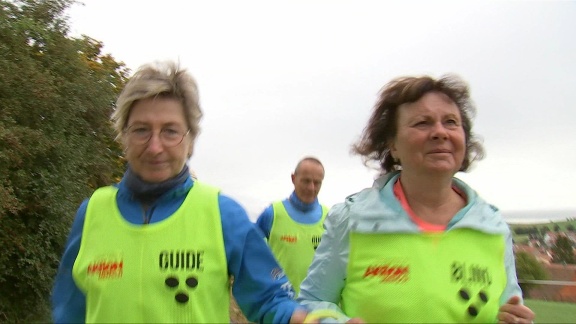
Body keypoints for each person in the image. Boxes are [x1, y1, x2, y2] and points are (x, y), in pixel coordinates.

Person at [51, 60, 307, 323]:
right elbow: (68, 311)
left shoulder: (221, 213)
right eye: (141, 130)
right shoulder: (92, 212)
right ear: (124, 136)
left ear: (190, 140)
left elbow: (270, 299)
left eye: (170, 131)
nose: (154, 147)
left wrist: (303, 319)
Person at [297, 74, 535, 323]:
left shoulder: (493, 228)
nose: (440, 132)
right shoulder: (352, 219)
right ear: (393, 145)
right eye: (423, 123)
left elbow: (510, 310)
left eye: (451, 122)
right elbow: (310, 301)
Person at [256, 157, 328, 296]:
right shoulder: (273, 214)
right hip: (279, 306)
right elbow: (252, 254)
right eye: (306, 181)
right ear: (293, 178)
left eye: (317, 183)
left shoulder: (330, 218)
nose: (311, 188)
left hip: (317, 309)